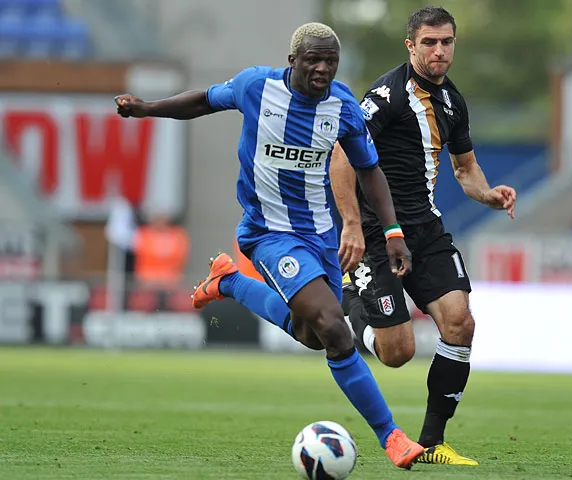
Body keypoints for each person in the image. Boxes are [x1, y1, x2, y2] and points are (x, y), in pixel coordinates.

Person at [115, 22, 425, 470]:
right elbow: (203, 101)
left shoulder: (343, 107)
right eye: (313, 60)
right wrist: (147, 109)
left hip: (319, 236)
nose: (322, 69)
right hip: (268, 234)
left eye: (331, 61)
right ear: (293, 60)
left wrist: (393, 231)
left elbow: (369, 170)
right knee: (335, 328)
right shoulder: (256, 87)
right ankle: (391, 435)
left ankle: (229, 283)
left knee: (312, 335)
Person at [330, 7, 517, 466]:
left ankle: (432, 442)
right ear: (410, 46)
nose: (439, 50)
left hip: (426, 231)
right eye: (429, 42)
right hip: (377, 233)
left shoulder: (452, 101)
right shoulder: (387, 95)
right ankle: (350, 299)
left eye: (446, 42)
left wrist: (489, 195)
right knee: (397, 353)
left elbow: (465, 168)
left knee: (460, 323)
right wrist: (351, 224)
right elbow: (342, 154)